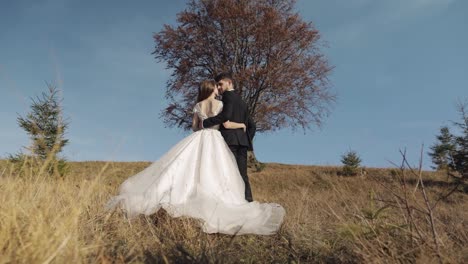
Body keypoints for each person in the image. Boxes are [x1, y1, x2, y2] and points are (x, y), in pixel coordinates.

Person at [106, 80, 285, 235]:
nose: (218, 89)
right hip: (215, 139)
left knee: (187, 166)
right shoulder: (220, 105)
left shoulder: (198, 105)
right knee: (216, 169)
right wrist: (242, 125)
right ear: (212, 89)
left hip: (199, 137)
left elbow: (194, 127)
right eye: (216, 87)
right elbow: (226, 123)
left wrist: (203, 127)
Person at [201, 72, 256, 202]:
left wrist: (205, 122)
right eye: (217, 85)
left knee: (228, 173)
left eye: (220, 84)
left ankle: (231, 202)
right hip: (242, 142)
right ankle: (248, 202)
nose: (219, 88)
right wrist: (245, 138)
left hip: (229, 140)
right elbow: (252, 126)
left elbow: (226, 116)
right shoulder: (242, 101)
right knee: (242, 175)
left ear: (229, 83)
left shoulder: (227, 97)